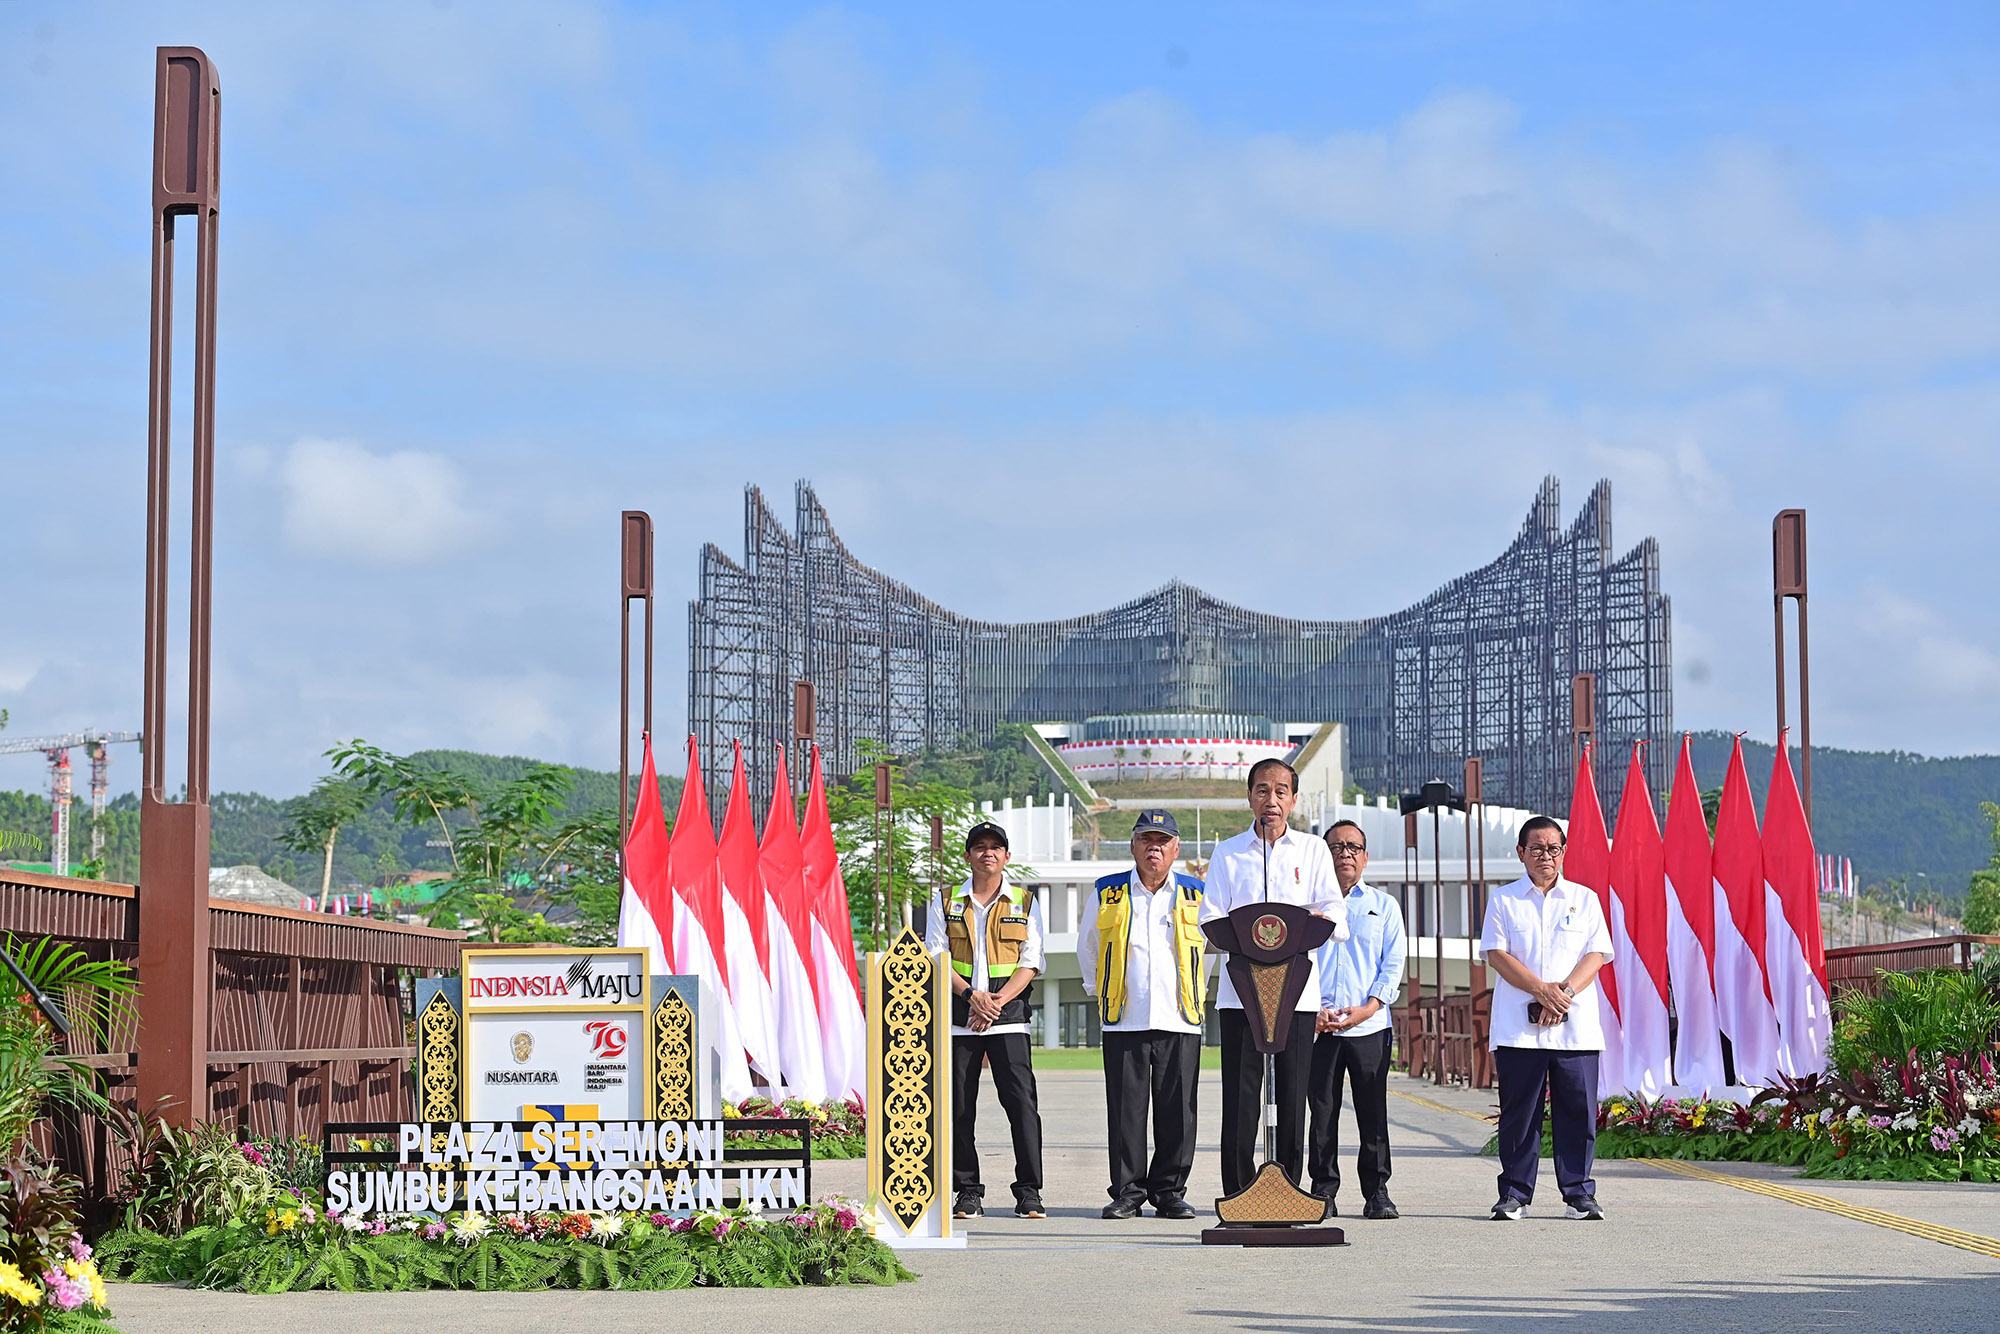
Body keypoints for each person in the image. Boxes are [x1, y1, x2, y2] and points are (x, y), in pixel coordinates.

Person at [1199, 758, 1348, 1197]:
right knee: (1242, 1100)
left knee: (1292, 1095)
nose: (1272, 799)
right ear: (1249, 797)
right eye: (1262, 790)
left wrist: (1314, 920)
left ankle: (1288, 1192)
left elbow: (1336, 916)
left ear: (1294, 800)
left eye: (1281, 791)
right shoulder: (1228, 852)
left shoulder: (1313, 850)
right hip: (1241, 996)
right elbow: (1211, 920)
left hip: (1298, 996)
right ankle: (1239, 1193)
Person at [1480, 814, 1613, 1222]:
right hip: (1520, 1030)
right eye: (1536, 848)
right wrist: (1542, 991)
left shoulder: (1584, 898)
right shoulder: (1503, 900)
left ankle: (1579, 1193)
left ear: (1563, 852)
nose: (1545, 856)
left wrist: (1564, 994)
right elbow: (1497, 955)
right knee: (1520, 1115)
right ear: (1521, 853)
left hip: (1575, 1028)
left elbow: (1597, 954)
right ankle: (1515, 1193)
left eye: (1553, 848)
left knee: (1577, 1112)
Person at [1078, 809, 1207, 1220]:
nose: (1155, 847)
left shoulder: (1196, 892)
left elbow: (1213, 949)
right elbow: (1088, 948)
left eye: (1163, 841)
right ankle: (1128, 1192)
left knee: (1178, 1111)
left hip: (1179, 1016)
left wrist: (1200, 992)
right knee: (1125, 1111)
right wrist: (1099, 994)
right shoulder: (1108, 891)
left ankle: (1169, 1191)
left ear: (1176, 848)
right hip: (1125, 1016)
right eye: (1147, 839)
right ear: (1133, 845)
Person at [925, 820, 1048, 1220]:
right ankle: (967, 1190)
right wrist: (971, 997)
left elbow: (1031, 961)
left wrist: (995, 1003)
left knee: (1022, 1106)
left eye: (996, 847)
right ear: (968, 855)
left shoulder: (1025, 902)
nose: (988, 853)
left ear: (1007, 856)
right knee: (960, 1107)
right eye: (980, 846)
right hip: (960, 1020)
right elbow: (936, 958)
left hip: (1009, 1019)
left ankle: (1029, 1192)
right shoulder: (944, 900)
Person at [1307, 819, 1407, 1220]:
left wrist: (1369, 1006)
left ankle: (1377, 1191)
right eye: (1335, 847)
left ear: (1365, 857)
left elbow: (1393, 962)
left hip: (1368, 1024)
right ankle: (1323, 1191)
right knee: (1322, 1112)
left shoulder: (1383, 906)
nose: (1344, 853)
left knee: (1372, 1111)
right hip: (1319, 1026)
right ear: (1323, 854)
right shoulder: (1308, 907)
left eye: (1353, 847)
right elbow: (1300, 960)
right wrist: (1311, 1010)